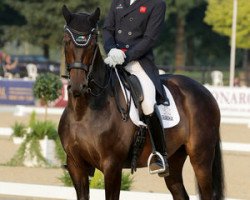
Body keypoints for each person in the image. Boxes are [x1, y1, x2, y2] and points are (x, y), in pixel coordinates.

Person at [103, 0, 169, 176]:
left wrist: (126, 56)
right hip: (113, 59)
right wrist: (110, 50)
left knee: (147, 103)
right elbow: (108, 29)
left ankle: (159, 154)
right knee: (92, 88)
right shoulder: (117, 2)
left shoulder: (157, 4)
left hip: (138, 63)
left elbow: (150, 39)